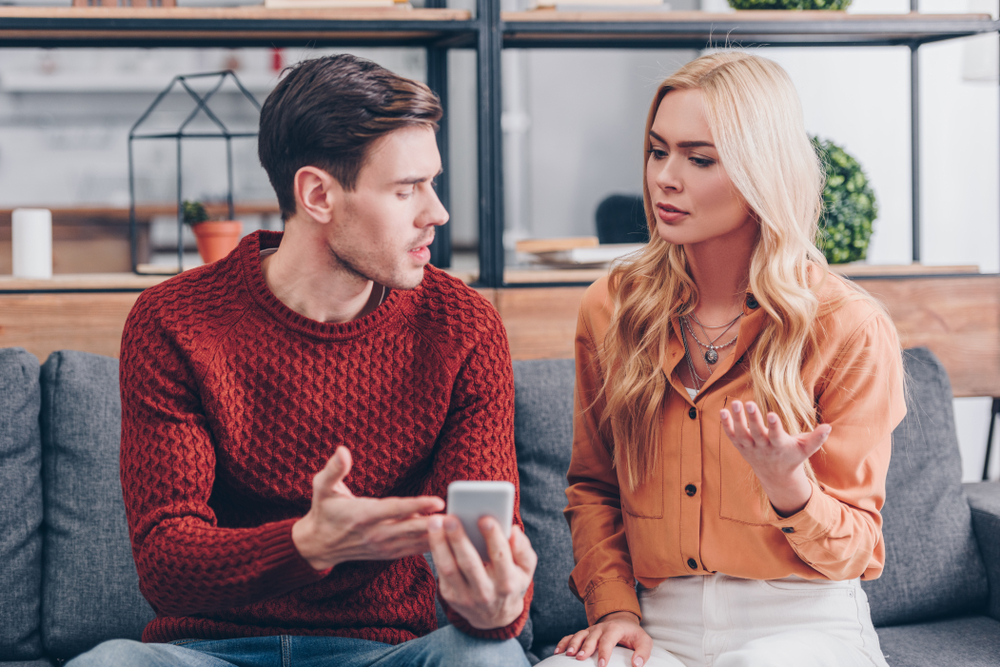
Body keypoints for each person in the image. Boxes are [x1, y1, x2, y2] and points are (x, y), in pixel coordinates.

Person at [67, 54, 535, 667]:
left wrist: (497, 606)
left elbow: (487, 538)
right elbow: (165, 564)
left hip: (386, 652)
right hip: (209, 652)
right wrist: (307, 543)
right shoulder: (173, 322)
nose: (437, 213)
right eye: (406, 189)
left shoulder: (463, 327)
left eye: (432, 182)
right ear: (318, 194)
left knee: (488, 658)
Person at [539, 52, 905, 667]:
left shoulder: (847, 325)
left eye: (700, 158)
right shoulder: (612, 306)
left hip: (801, 620)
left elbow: (859, 549)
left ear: (762, 171)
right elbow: (594, 486)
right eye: (659, 152)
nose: (665, 178)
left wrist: (789, 487)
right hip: (658, 623)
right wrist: (615, 611)